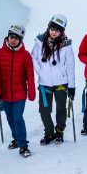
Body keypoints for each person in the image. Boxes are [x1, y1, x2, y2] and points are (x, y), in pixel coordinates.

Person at [0, 22, 36, 158]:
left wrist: (31, 92)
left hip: (19, 93)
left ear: (20, 39)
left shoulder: (25, 55)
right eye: (11, 36)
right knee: (10, 119)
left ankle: (23, 145)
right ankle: (16, 138)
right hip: (4, 94)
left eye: (16, 37)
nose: (13, 39)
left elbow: (30, 75)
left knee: (17, 119)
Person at [31, 14, 76, 145]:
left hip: (61, 83)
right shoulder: (39, 42)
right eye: (52, 28)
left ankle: (59, 131)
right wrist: (40, 71)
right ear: (48, 27)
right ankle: (49, 132)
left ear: (62, 31)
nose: (54, 32)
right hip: (44, 83)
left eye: (57, 30)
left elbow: (70, 67)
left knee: (61, 108)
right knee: (44, 110)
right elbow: (33, 57)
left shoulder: (66, 46)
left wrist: (72, 86)